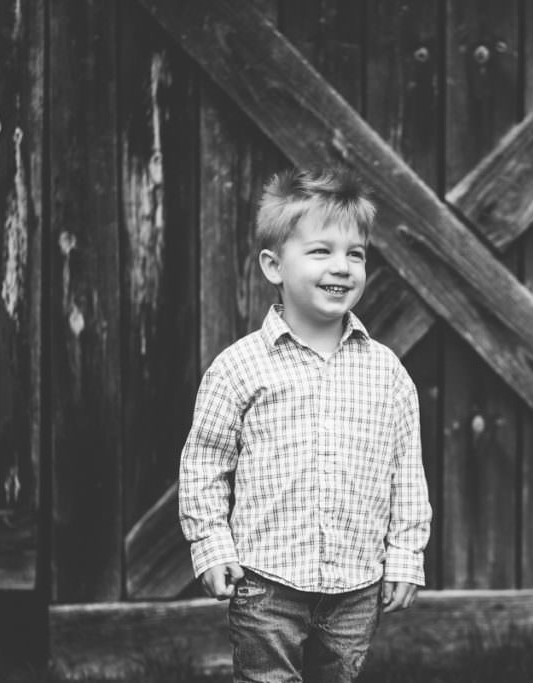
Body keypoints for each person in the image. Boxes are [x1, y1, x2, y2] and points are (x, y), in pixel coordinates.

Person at [179, 166, 432, 682]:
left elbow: (406, 471)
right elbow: (205, 460)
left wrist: (406, 554)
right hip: (266, 580)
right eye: (321, 251)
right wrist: (210, 545)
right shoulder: (239, 367)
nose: (342, 266)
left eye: (355, 253)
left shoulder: (387, 373)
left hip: (356, 583)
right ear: (274, 265)